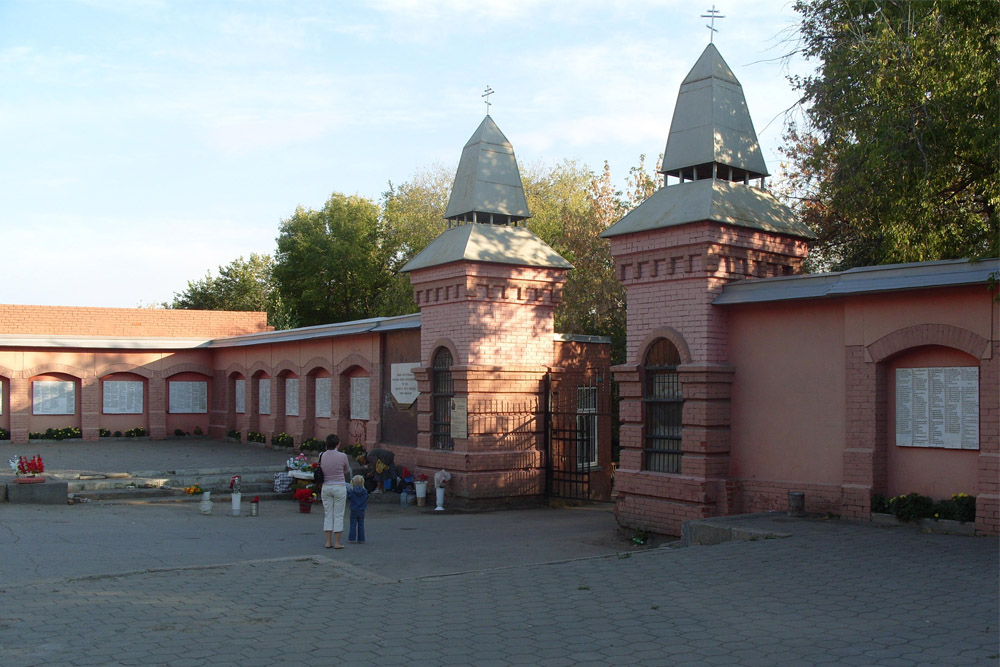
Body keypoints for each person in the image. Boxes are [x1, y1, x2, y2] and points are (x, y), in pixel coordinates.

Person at [319, 433, 351, 549]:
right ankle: (337, 542)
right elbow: (346, 470)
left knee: (328, 514)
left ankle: (328, 542)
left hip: (326, 486)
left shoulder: (321, 455)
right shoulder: (342, 456)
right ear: (338, 444)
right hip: (339, 486)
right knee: (338, 514)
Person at [347, 474, 368, 544]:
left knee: (353, 524)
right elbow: (366, 497)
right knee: (361, 524)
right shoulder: (364, 491)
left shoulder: (351, 491)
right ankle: (361, 539)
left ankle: (352, 539)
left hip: (354, 509)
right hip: (362, 509)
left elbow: (349, 497)